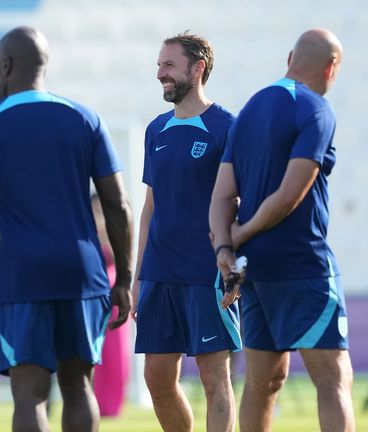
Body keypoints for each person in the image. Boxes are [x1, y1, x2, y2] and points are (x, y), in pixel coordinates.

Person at [0, 26, 134, 432]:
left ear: (7, 66)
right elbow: (117, 204)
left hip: (23, 277)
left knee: (29, 395)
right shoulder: (85, 119)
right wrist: (126, 279)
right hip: (83, 275)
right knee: (80, 387)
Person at [209, 28, 353, 432]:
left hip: (254, 270)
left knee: (264, 381)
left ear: (290, 57)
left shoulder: (250, 110)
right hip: (301, 264)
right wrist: (237, 236)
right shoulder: (316, 110)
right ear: (331, 67)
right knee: (332, 378)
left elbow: (221, 197)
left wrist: (225, 249)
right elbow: (291, 194)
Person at [132, 33, 240, 432]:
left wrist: (237, 265)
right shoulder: (155, 130)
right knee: (157, 379)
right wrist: (137, 276)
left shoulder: (227, 127)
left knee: (216, 380)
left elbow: (241, 205)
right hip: (159, 275)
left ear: (198, 69)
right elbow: (149, 209)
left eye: (168, 65)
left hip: (207, 273)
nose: (160, 73)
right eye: (159, 65)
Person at [90, 193, 130, 418]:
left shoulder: (114, 226)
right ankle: (97, 400)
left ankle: (113, 404)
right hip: (94, 289)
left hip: (113, 290)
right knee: (97, 351)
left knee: (115, 352)